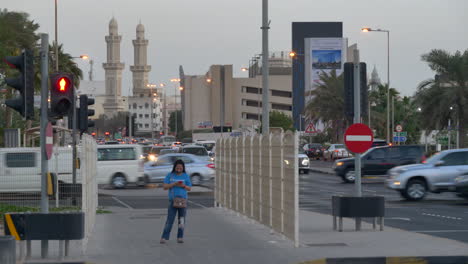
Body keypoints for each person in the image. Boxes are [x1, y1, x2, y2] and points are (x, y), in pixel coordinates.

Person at [160, 159, 192, 244]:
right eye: (177, 167)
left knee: (181, 220)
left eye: (180, 167)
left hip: (182, 200)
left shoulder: (185, 176)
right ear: (175, 167)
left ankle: (180, 237)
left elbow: (189, 188)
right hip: (172, 201)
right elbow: (164, 187)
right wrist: (174, 184)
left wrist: (183, 185)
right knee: (170, 220)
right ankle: (164, 237)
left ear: (183, 168)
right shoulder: (170, 175)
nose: (179, 168)